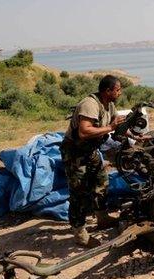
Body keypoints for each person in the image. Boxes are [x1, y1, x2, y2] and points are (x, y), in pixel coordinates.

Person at [60, 75, 125, 246]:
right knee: (78, 193)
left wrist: (134, 136)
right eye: (117, 89)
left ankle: (102, 218)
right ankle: (79, 233)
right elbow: (84, 131)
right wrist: (110, 127)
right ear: (108, 91)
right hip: (75, 152)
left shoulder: (109, 105)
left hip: (90, 151)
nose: (120, 93)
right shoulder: (90, 104)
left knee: (101, 182)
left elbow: (115, 128)